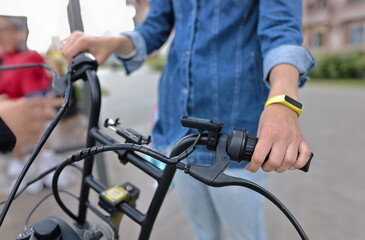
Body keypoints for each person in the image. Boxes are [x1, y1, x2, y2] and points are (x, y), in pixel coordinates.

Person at [61, 1, 315, 239]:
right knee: (203, 232)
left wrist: (282, 100)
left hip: (236, 133)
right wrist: (113, 42)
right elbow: (154, 27)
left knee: (246, 234)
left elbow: (280, 27)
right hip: (178, 134)